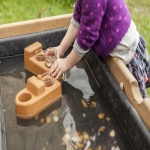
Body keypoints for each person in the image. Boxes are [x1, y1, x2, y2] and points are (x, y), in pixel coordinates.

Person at [47, 0, 150, 98]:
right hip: (113, 46)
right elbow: (79, 16)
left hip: (127, 53)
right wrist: (61, 48)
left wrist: (67, 63)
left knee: (132, 103)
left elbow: (87, 35)